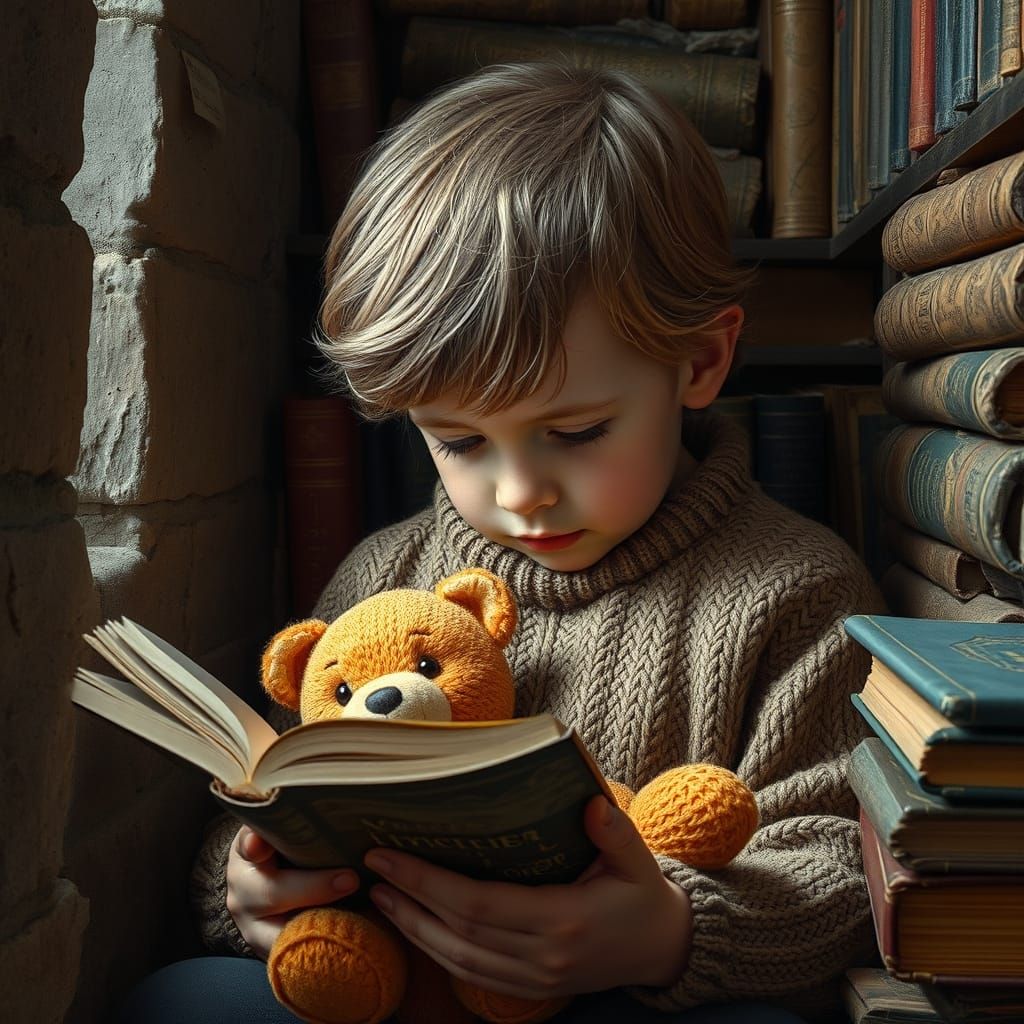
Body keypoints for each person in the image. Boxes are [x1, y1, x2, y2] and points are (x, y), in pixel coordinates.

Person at [120, 63, 883, 1024]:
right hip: (404, 993)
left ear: (700, 361)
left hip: (630, 1000)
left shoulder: (799, 591)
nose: (519, 493)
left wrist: (667, 935)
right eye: (461, 442)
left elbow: (847, 867)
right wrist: (256, 897)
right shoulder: (384, 574)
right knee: (181, 1004)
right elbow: (269, 798)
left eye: (576, 432)